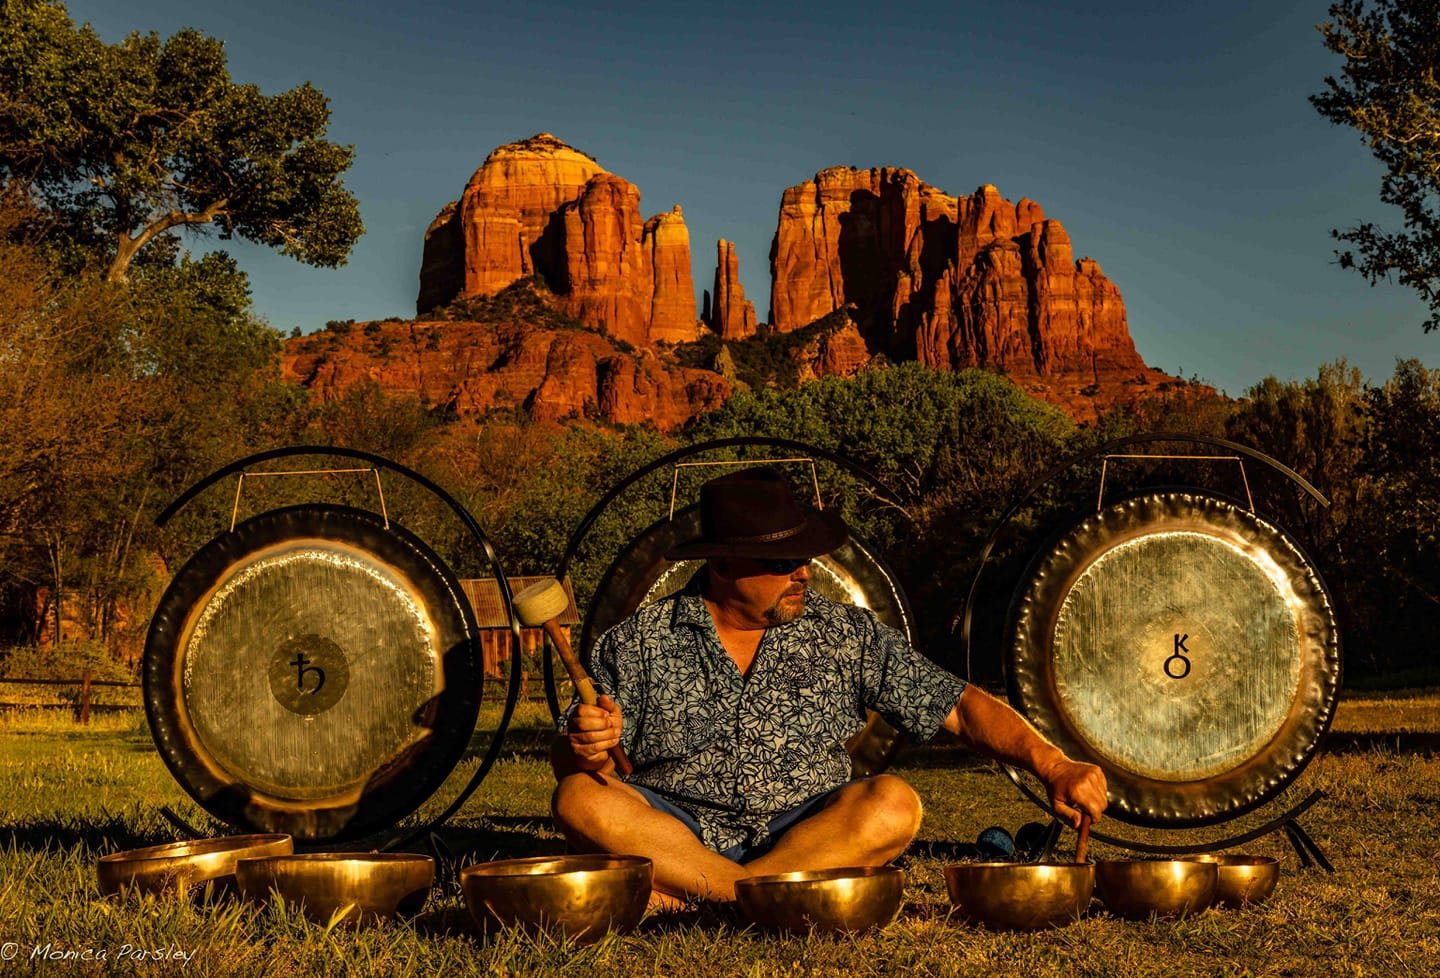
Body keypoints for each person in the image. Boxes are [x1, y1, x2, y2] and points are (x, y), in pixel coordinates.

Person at [551, 467, 1107, 906]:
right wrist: (579, 745)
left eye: (807, 556)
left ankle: (697, 898)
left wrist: (1054, 766)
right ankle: (755, 896)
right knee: (577, 797)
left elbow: (957, 707)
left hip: (808, 831)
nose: (805, 572)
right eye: (783, 560)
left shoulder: (844, 632)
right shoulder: (637, 641)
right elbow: (580, 766)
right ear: (722, 565)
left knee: (892, 802)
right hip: (677, 832)